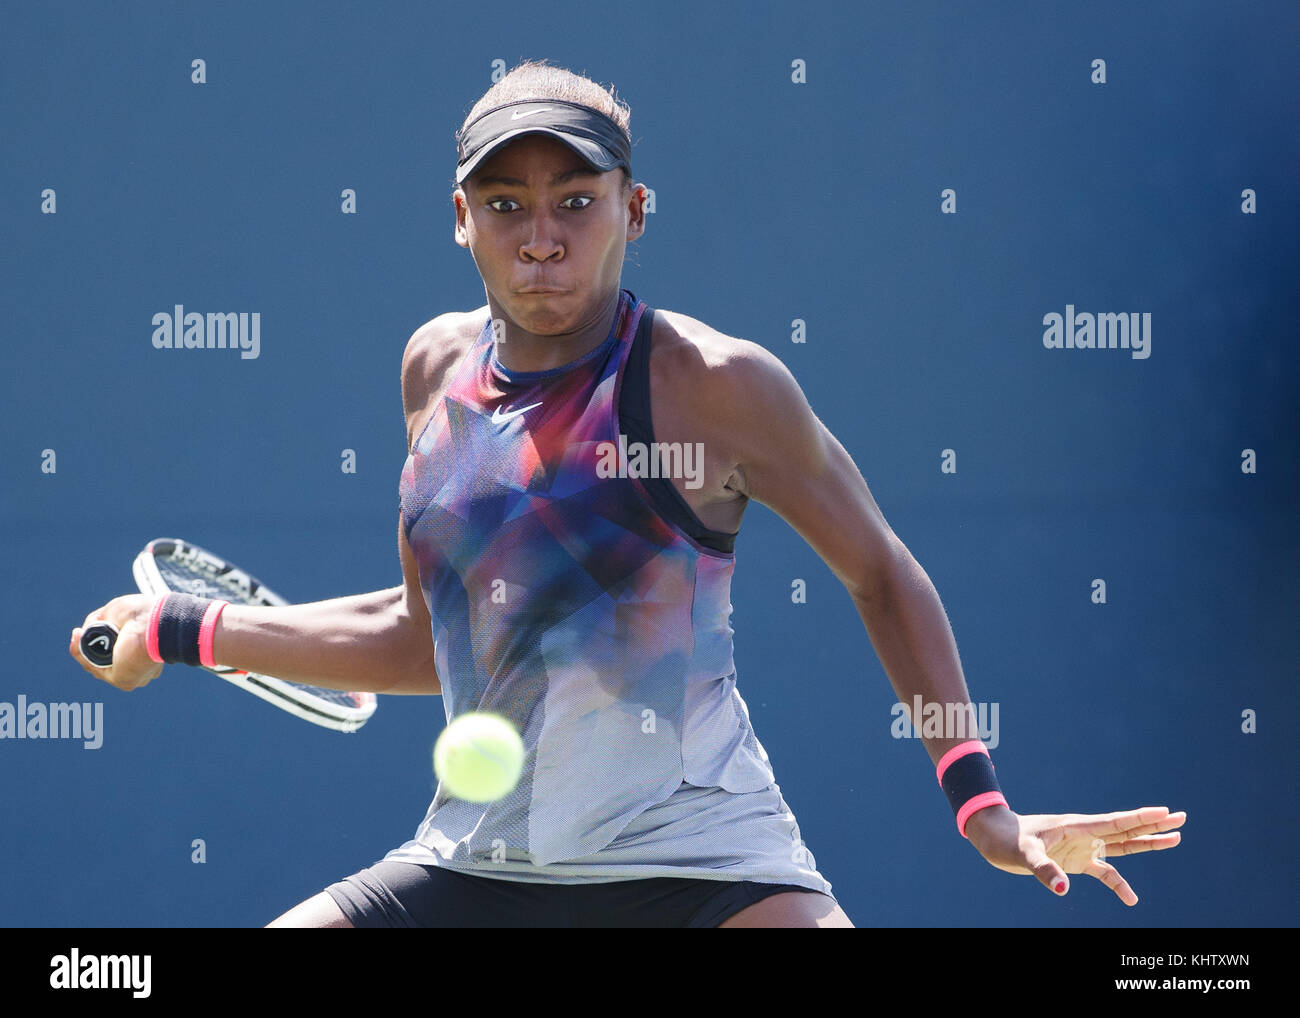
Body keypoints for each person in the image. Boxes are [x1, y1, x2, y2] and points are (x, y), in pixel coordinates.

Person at [70, 60, 1185, 928]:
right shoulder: (432, 375)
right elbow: (427, 638)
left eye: (575, 201)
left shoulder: (717, 387)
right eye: (505, 204)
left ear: (633, 207)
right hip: (476, 868)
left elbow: (879, 571)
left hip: (709, 873)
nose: (541, 238)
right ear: (460, 218)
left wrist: (979, 802)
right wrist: (183, 631)